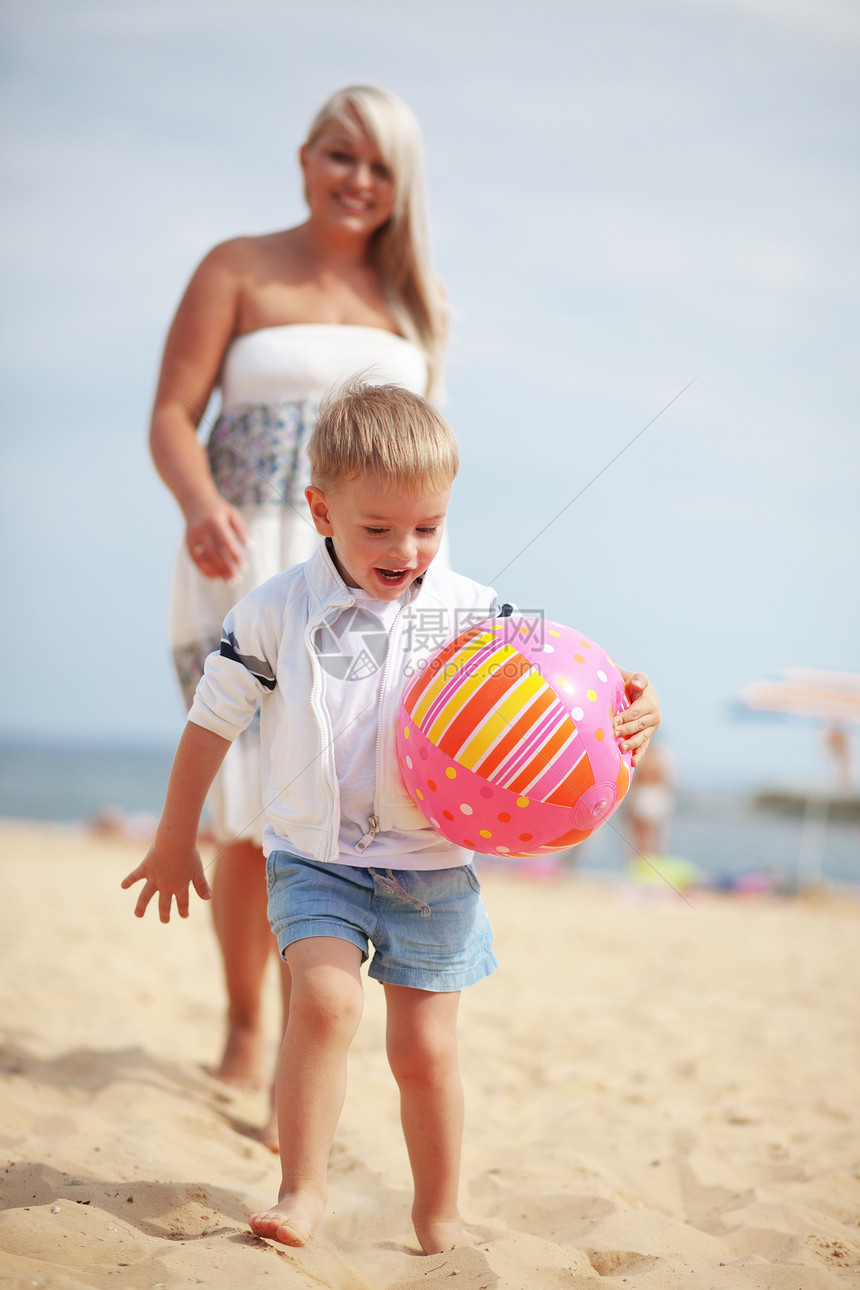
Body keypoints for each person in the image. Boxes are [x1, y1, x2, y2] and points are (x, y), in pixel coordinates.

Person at [124, 383, 662, 1255]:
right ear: (320, 509)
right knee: (326, 1005)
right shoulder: (274, 611)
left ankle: (437, 1216)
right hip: (315, 857)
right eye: (377, 528)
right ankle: (301, 1190)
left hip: (435, 870)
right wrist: (176, 834)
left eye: (428, 526)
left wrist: (639, 705)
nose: (406, 549)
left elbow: (572, 695)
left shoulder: (477, 615)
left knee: (423, 1050)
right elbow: (212, 719)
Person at [147, 85, 447, 1139]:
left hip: (366, 572)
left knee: (333, 785)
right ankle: (245, 1026)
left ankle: (289, 1049)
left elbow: (418, 465)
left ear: (397, 182)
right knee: (243, 807)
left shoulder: (414, 308)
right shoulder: (236, 265)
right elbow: (173, 415)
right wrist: (198, 506)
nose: (357, 179)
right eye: (339, 154)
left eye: (378, 164)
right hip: (242, 547)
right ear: (304, 156)